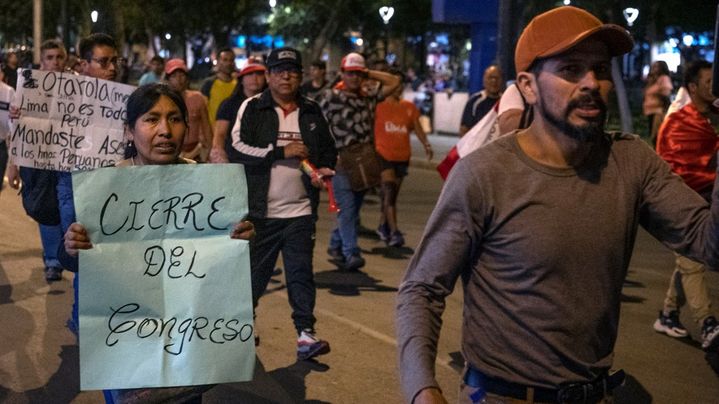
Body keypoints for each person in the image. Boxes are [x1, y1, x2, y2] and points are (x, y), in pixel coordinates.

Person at [396, 6, 719, 404]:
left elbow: (710, 246)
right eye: (570, 70)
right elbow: (422, 289)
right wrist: (422, 390)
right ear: (528, 87)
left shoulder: (632, 162)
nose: (591, 83)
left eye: (600, 69)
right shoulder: (483, 174)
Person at [62, 83, 255, 404]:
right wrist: (70, 245)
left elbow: (223, 267)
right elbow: (71, 258)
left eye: (175, 119)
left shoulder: (209, 187)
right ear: (128, 131)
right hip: (125, 338)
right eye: (152, 119)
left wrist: (240, 238)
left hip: (188, 340)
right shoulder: (104, 186)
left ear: (186, 127)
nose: (165, 130)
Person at [229, 47, 337, 360]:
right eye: (279, 70)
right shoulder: (252, 108)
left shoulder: (312, 110)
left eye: (291, 70)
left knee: (301, 273)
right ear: (269, 75)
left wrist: (325, 170)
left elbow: (329, 151)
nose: (286, 76)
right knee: (254, 274)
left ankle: (305, 334)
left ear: (300, 75)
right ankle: (243, 325)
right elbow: (235, 148)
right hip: (261, 214)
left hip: (301, 212)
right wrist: (279, 152)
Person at [654, 60, 719, 352]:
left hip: (710, 203)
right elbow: (673, 170)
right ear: (692, 87)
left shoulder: (714, 118)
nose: (713, 86)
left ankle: (667, 314)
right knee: (692, 262)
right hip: (685, 206)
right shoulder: (678, 122)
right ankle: (707, 322)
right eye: (708, 82)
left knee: (688, 261)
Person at [317, 52, 401, 271]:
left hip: (365, 161)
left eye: (358, 73)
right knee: (347, 208)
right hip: (341, 160)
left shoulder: (369, 95)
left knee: (353, 209)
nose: (354, 78)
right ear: (342, 74)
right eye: (350, 73)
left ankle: (336, 243)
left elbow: (394, 81)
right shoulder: (330, 96)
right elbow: (316, 125)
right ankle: (351, 252)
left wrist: (368, 72)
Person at [6, 39, 67, 282]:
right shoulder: (28, 88)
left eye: (59, 57)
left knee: (66, 207)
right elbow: (16, 129)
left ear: (65, 60)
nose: (54, 62)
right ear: (42, 62)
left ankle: (61, 257)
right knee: (43, 208)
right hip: (36, 161)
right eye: (49, 57)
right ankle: (53, 259)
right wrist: (13, 165)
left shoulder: (80, 87)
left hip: (66, 159)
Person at [374, 69, 432, 247]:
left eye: (400, 85)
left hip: (402, 157)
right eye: (394, 84)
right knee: (389, 192)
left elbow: (417, 128)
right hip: (383, 156)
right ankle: (395, 231)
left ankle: (383, 225)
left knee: (390, 197)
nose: (397, 88)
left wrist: (426, 145)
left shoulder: (408, 107)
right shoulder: (377, 106)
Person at [209, 57, 266, 163]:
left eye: (259, 74)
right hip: (235, 160)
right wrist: (220, 155)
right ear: (242, 79)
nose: (255, 78)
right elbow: (220, 134)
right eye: (249, 74)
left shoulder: (271, 103)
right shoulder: (229, 104)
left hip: (264, 159)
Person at [165, 58, 212, 162]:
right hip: (170, 151)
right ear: (168, 79)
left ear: (187, 78)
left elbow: (206, 128)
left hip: (195, 151)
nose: (179, 79)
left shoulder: (197, 98)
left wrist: (209, 150)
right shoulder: (162, 101)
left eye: (182, 75)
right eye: (174, 76)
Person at [459, 65, 503, 136]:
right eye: (490, 77)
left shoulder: (506, 101)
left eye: (497, 78)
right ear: (484, 80)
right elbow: (464, 129)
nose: (494, 81)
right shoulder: (474, 102)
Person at [201, 48, 237, 128]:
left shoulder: (238, 84)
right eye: (225, 60)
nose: (228, 63)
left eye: (231, 60)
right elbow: (202, 110)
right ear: (218, 62)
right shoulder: (209, 83)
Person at [643, 60, 673, 142]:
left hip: (658, 112)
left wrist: (665, 109)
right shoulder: (653, 80)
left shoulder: (663, 79)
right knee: (653, 137)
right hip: (650, 111)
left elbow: (666, 94)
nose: (653, 68)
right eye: (653, 66)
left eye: (656, 66)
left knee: (657, 137)